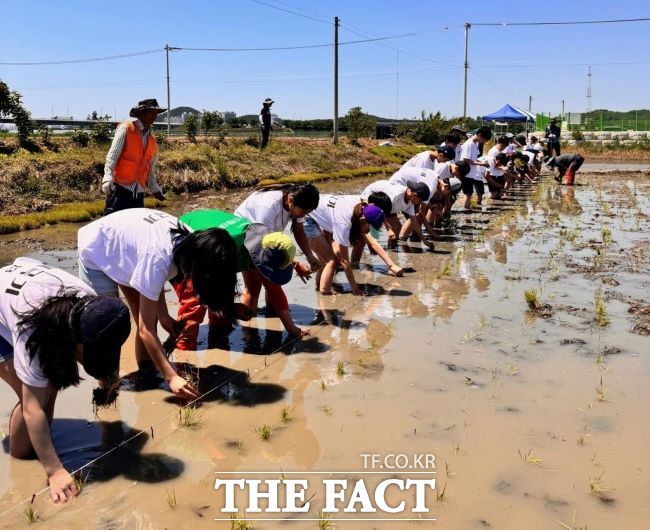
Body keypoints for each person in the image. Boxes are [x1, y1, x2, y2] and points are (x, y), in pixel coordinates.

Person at [0, 257, 131, 502]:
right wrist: (55, 471)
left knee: (50, 384)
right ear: (72, 338)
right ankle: (21, 461)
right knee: (31, 394)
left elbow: (103, 344)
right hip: (9, 312)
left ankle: (39, 445)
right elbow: (33, 408)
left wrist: (107, 379)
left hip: (17, 290)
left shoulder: (92, 306)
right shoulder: (33, 334)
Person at [78, 208, 241, 400]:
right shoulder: (159, 257)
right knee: (110, 329)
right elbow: (146, 330)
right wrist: (171, 377)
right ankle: (107, 392)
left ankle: (146, 379)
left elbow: (154, 280)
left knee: (149, 318)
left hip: (126, 250)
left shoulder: (191, 244)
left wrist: (163, 315)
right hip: (97, 250)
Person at [174, 209, 312, 343]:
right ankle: (184, 359)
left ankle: (218, 338)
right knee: (193, 306)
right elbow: (206, 287)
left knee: (223, 308)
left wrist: (292, 328)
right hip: (183, 244)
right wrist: (229, 307)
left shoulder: (262, 241)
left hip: (213, 248)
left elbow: (274, 289)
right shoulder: (226, 246)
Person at [234, 183, 320, 316]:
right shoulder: (268, 205)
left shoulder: (298, 203)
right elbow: (265, 242)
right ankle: (249, 330)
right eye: (303, 211)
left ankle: (272, 311)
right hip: (246, 238)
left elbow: (298, 230)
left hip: (265, 237)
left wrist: (309, 255)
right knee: (254, 287)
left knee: (272, 280)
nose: (303, 215)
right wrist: (295, 263)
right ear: (290, 200)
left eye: (307, 212)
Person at [305, 195, 403, 295]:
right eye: (369, 227)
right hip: (307, 216)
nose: (369, 230)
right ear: (362, 221)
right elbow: (345, 261)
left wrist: (388, 228)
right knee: (332, 261)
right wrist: (354, 289)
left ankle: (318, 286)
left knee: (327, 258)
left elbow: (378, 212)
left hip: (319, 209)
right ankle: (325, 293)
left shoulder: (362, 206)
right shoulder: (344, 224)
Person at [101, 98, 166, 216]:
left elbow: (150, 168)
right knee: (112, 225)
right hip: (120, 189)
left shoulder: (152, 140)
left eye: (156, 113)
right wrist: (107, 177)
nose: (155, 115)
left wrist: (155, 189)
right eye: (151, 112)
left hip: (138, 193)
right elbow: (112, 156)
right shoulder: (126, 129)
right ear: (141, 113)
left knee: (134, 230)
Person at [361, 180, 434, 250]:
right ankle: (363, 248)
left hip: (388, 206)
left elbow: (414, 220)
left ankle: (391, 251)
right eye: (420, 200)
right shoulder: (396, 195)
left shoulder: (411, 201)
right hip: (371, 197)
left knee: (397, 229)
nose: (420, 203)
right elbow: (381, 211)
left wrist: (424, 241)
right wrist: (388, 229)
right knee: (368, 228)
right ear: (415, 195)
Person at [460, 126, 492, 209]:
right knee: (467, 193)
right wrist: (482, 164)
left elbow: (474, 158)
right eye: (484, 140)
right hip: (466, 172)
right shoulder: (469, 144)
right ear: (479, 135)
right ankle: (466, 210)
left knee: (469, 193)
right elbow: (466, 159)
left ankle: (467, 209)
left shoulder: (475, 144)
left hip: (471, 173)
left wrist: (481, 162)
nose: (483, 142)